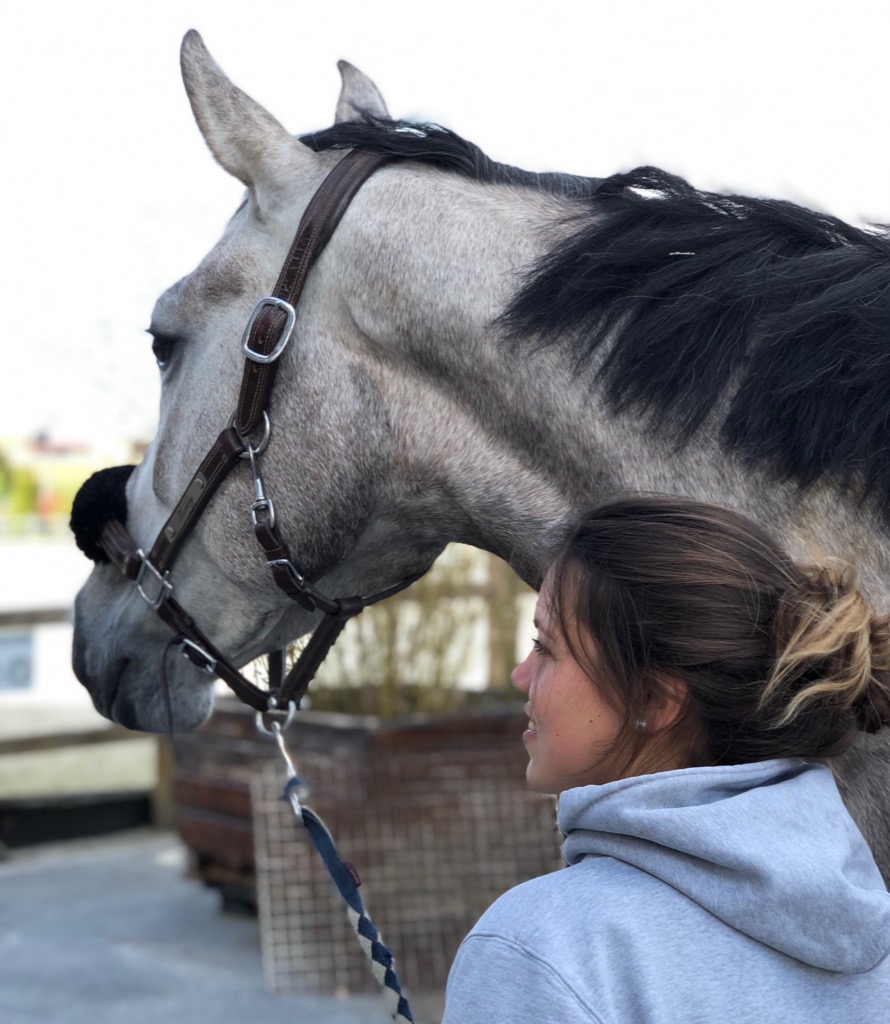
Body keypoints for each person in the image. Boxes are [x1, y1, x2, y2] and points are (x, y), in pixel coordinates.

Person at [442, 495, 890, 1024]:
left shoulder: (542, 950)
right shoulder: (871, 930)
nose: (521, 676)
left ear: (653, 701)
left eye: (546, 647)